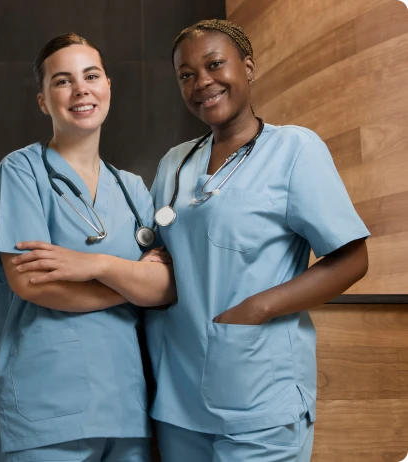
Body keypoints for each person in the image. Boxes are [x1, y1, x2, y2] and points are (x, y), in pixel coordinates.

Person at [146, 19, 370, 461]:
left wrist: (257, 308)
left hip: (260, 398)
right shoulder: (174, 163)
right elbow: (158, 255)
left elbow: (352, 258)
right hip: (178, 398)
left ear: (247, 67)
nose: (202, 82)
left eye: (214, 65)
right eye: (186, 75)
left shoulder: (294, 150)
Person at [0, 32, 175, 462]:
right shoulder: (20, 172)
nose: (81, 89)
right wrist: (129, 284)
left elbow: (165, 288)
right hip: (43, 411)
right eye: (62, 81)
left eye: (91, 75)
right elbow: (32, 283)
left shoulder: (133, 188)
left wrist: (91, 263)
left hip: (125, 410)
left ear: (108, 87)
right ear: (43, 100)